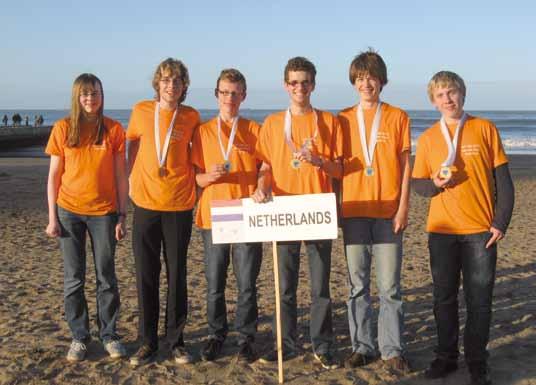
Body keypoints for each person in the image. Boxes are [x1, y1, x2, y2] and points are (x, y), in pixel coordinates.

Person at [412, 71, 514, 385]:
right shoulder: (429, 137)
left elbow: (504, 182)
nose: (448, 99)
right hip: (441, 231)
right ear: (433, 101)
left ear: (463, 94)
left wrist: (501, 222)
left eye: (452, 92)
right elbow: (419, 185)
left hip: (479, 231)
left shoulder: (484, 128)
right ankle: (445, 358)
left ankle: (476, 362)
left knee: (479, 301)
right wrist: (435, 184)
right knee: (443, 299)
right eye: (441, 95)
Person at [252, 56, 343, 369]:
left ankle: (322, 344)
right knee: (285, 286)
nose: (299, 87)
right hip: (284, 211)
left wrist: (320, 162)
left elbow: (341, 168)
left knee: (320, 287)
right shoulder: (273, 123)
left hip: (317, 209)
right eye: (294, 82)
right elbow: (265, 166)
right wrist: (262, 186)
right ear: (285, 85)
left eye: (305, 82)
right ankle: (286, 344)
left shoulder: (329, 122)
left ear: (313, 85)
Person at [337, 49, 411, 373]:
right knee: (357, 285)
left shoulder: (397, 117)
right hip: (353, 210)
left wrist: (404, 206)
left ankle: (392, 349)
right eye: (361, 77)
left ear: (382, 81)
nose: (366, 83)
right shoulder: (341, 119)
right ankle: (362, 347)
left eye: (372, 77)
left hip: (387, 211)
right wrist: (335, 207)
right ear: (354, 82)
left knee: (390, 286)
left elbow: (405, 165)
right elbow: (336, 167)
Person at [45, 73, 128, 362]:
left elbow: (120, 175)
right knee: (74, 279)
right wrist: (52, 218)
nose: (90, 99)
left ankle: (109, 335)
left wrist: (122, 214)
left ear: (102, 96)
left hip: (104, 213)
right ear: (77, 97)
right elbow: (54, 176)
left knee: (106, 277)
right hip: (69, 212)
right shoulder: (63, 128)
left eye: (95, 93)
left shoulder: (114, 130)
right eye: (85, 94)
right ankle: (79, 337)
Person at [127, 58, 200, 367]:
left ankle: (176, 341)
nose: (172, 85)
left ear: (184, 87)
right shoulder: (141, 110)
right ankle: (147, 341)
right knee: (146, 274)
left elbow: (198, 156)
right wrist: (129, 182)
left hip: (179, 204)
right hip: (144, 203)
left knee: (177, 275)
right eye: (167, 80)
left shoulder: (191, 116)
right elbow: (130, 148)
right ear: (158, 83)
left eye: (177, 81)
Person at [192, 68, 264, 363]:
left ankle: (246, 338)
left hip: (246, 213)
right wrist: (208, 176)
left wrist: (261, 185)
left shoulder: (254, 130)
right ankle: (215, 334)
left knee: (247, 282)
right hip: (214, 216)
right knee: (215, 281)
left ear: (243, 96)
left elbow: (266, 167)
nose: (230, 98)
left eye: (235, 93)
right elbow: (194, 178)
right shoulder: (203, 132)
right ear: (216, 95)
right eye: (224, 92)